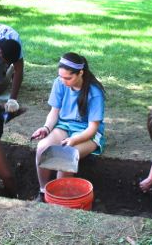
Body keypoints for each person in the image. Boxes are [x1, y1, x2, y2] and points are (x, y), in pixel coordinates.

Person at [31, 52, 106, 201]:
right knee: (42, 147)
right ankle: (44, 191)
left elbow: (92, 128)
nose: (63, 81)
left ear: (80, 73)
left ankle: (58, 199)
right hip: (64, 126)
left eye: (68, 78)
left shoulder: (94, 93)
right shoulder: (59, 82)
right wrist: (46, 128)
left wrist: (74, 140)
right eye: (61, 77)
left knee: (66, 155)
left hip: (87, 133)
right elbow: (54, 113)